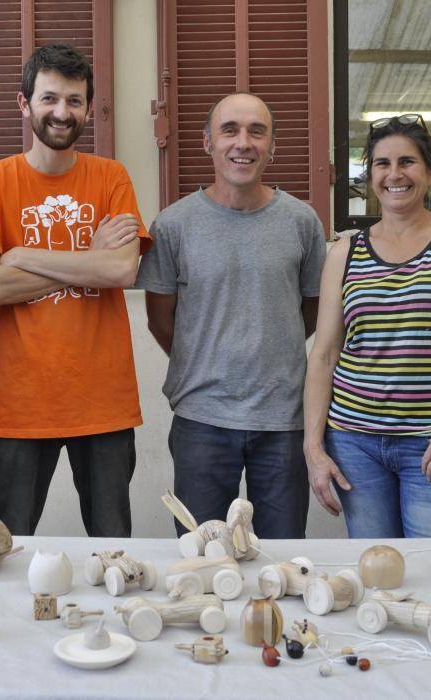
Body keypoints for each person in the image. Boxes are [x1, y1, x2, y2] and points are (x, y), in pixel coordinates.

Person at [0, 44, 148, 537]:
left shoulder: (111, 177)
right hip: (21, 404)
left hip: (103, 400)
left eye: (75, 100)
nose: (62, 112)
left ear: (88, 108)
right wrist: (88, 260)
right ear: (24, 103)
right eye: (50, 98)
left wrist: (23, 256)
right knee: (4, 544)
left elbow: (122, 271)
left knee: (112, 546)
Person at [137, 92, 326, 539]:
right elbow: (160, 319)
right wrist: (206, 357)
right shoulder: (173, 225)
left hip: (283, 419)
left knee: (278, 559)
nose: (244, 142)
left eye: (257, 131)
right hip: (202, 420)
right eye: (230, 130)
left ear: (272, 146)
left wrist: (268, 346)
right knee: (201, 561)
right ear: (208, 142)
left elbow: (313, 310)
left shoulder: (302, 221)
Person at [304, 114, 431, 538]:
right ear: (370, 175)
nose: (395, 174)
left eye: (407, 162)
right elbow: (323, 355)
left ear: (430, 173)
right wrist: (314, 448)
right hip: (355, 443)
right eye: (382, 164)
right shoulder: (346, 251)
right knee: (378, 575)